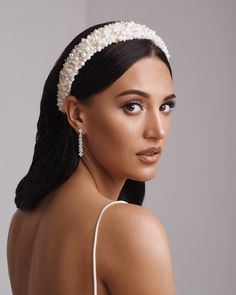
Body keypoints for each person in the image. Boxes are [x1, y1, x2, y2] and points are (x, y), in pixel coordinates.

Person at [7, 20, 177, 294]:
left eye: (165, 106)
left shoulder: (23, 221)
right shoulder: (130, 228)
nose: (157, 130)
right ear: (77, 114)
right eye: (133, 106)